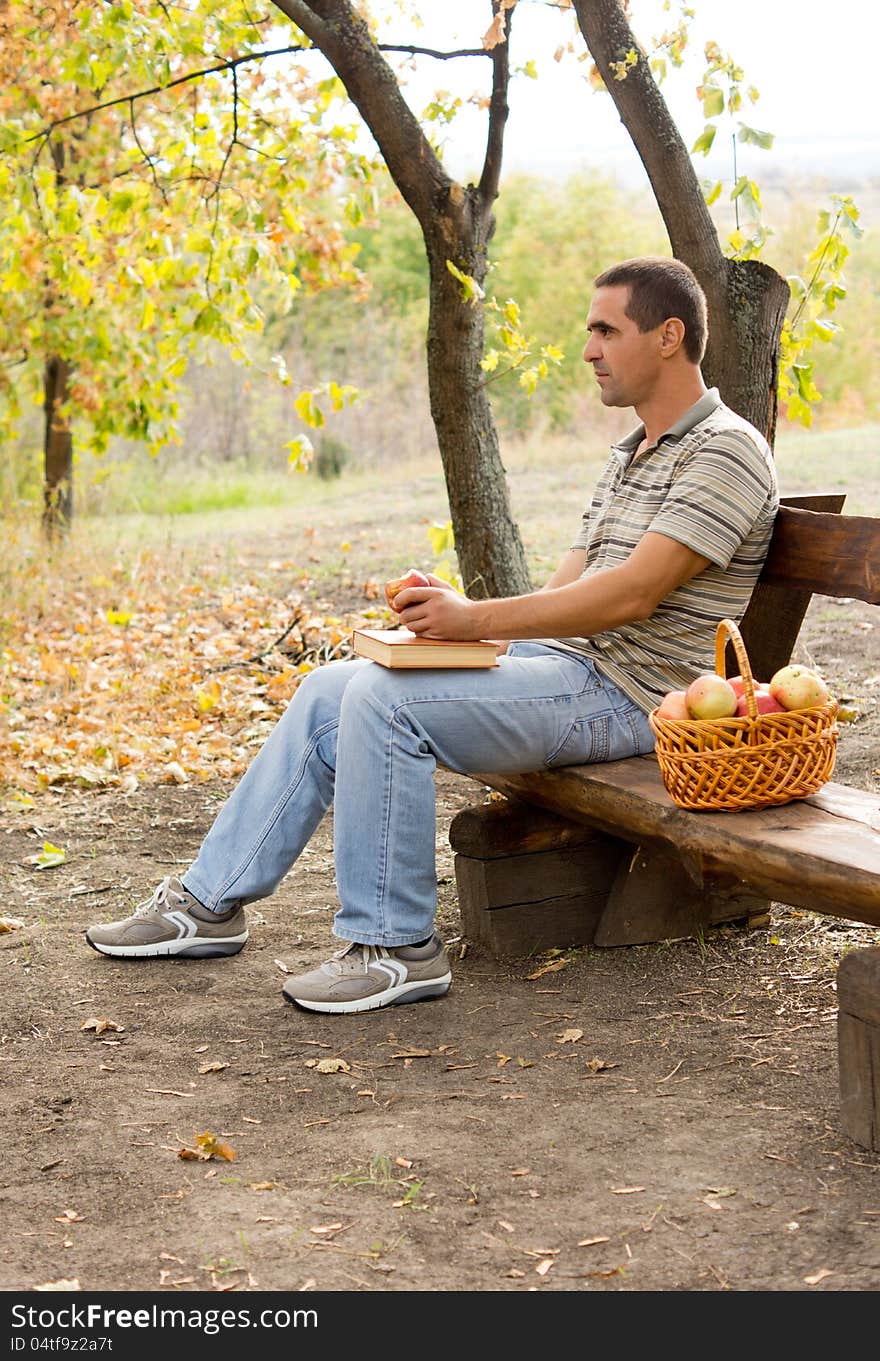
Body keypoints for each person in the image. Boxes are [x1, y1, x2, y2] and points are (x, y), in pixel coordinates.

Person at [85, 256, 779, 1014]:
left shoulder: (726, 449)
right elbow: (567, 593)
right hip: (569, 673)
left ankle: (395, 948)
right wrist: (451, 623)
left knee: (387, 702)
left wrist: (475, 622)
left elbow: (632, 593)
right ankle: (206, 902)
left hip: (634, 698)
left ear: (669, 335)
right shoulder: (631, 454)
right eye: (590, 332)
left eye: (605, 331)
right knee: (329, 689)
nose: (588, 350)